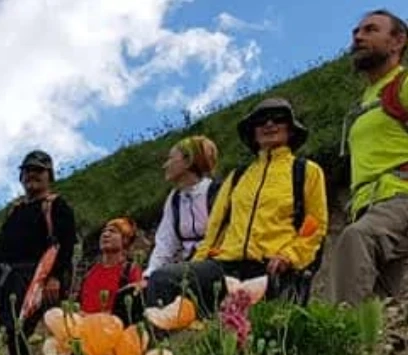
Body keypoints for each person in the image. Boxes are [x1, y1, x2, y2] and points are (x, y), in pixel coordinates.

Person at [145, 98, 328, 311]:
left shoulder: (307, 171)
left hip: (273, 265)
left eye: (278, 119)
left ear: (290, 129)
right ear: (254, 133)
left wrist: (289, 255)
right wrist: (194, 267)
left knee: (268, 329)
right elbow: (214, 231)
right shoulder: (237, 177)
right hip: (226, 265)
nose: (269, 124)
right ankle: (158, 342)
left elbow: (315, 226)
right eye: (261, 121)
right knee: (163, 279)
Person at [331, 9, 408, 305]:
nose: (358, 36)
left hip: (398, 198)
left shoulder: (402, 84)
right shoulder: (367, 99)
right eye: (356, 32)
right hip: (368, 206)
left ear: (397, 41)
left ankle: (341, 342)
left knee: (354, 239)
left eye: (370, 30)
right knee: (380, 305)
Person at [0, 150, 78, 355]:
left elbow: (66, 243)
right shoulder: (15, 210)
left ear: (49, 176)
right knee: (0, 329)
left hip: (37, 276)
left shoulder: (57, 205)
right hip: (6, 278)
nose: (32, 175)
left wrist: (55, 276)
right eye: (28, 171)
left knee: (24, 328)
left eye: (38, 171)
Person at [145, 136, 220, 278]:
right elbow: (165, 243)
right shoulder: (174, 199)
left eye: (171, 159)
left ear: (188, 161)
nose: (165, 165)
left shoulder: (216, 192)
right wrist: (149, 274)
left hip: (216, 262)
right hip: (188, 267)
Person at [79, 218, 143, 322]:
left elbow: (134, 307)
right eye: (104, 232)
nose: (106, 234)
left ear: (125, 239)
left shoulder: (130, 270)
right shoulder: (90, 271)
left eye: (113, 231)